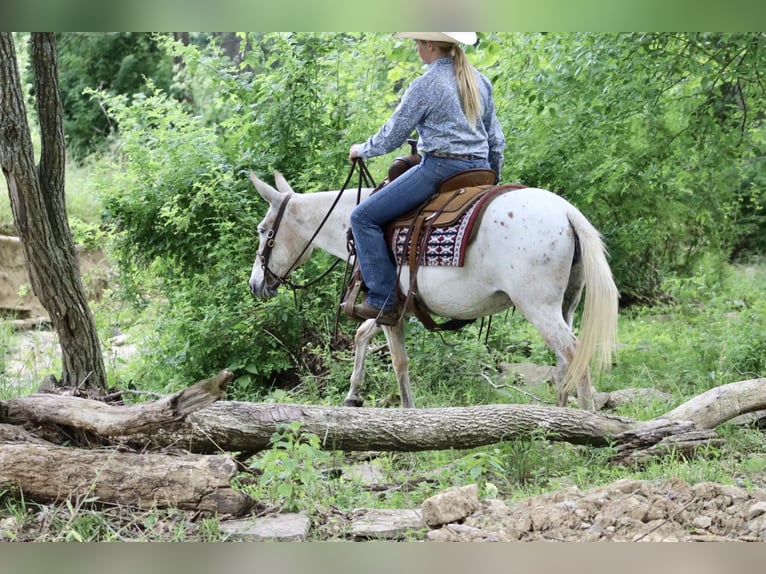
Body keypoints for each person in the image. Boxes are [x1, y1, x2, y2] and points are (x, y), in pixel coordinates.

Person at [348, 32, 506, 325]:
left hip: (440, 170)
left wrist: (362, 150)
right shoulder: (479, 81)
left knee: (362, 217)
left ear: (430, 45)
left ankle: (382, 300)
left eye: (418, 43)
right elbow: (496, 140)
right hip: (480, 171)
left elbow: (393, 135)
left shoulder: (425, 85)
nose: (418, 48)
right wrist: (492, 179)